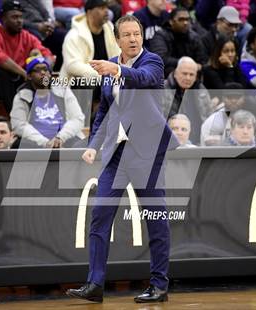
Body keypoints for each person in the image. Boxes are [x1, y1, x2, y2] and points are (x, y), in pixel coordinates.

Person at [66, 15, 179, 303]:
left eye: (136, 34)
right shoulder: (109, 67)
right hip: (116, 154)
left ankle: (159, 285)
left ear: (142, 37)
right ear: (117, 39)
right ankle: (95, 285)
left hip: (147, 153)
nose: (132, 39)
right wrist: (93, 144)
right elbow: (105, 110)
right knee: (100, 217)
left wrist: (116, 69)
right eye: (126, 35)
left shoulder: (151, 61)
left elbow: (146, 79)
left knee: (155, 220)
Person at [0, 0, 54, 113]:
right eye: (14, 17)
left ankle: (48, 114)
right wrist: (24, 73)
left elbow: (48, 55)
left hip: (16, 81)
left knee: (43, 75)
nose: (19, 21)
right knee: (4, 72)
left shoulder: (27, 36)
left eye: (21, 17)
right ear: (3, 19)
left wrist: (44, 69)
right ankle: (15, 116)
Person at [60, 0, 120, 127]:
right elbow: (72, 66)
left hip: (106, 81)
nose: (106, 11)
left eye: (107, 7)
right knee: (87, 82)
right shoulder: (74, 36)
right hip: (74, 85)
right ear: (89, 11)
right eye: (101, 7)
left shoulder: (110, 30)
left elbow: (120, 57)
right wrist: (104, 76)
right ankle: (82, 126)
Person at [11, 56, 85, 148]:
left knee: (82, 144)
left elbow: (78, 118)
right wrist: (44, 142)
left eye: (45, 70)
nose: (43, 73)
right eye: (37, 70)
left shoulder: (63, 91)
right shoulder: (22, 96)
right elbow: (19, 125)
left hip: (63, 138)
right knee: (18, 145)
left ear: (50, 74)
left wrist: (60, 138)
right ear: (29, 76)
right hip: (36, 141)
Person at [163, 56, 213, 145]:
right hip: (169, 141)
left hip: (197, 141)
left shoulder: (201, 90)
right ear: (175, 73)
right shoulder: (162, 89)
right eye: (184, 74)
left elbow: (208, 116)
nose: (188, 78)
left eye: (191, 75)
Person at [150, 8, 208, 77]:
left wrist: (198, 66)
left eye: (187, 19)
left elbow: (203, 61)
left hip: (191, 76)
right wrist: (186, 63)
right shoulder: (160, 35)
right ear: (171, 21)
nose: (185, 23)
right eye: (181, 19)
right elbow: (160, 59)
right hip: (166, 77)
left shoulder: (194, 37)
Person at [19, 0, 68, 71]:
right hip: (30, 28)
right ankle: (42, 73)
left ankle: (59, 72)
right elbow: (17, 20)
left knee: (65, 36)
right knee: (35, 36)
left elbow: (44, 11)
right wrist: (37, 26)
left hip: (44, 26)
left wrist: (49, 23)